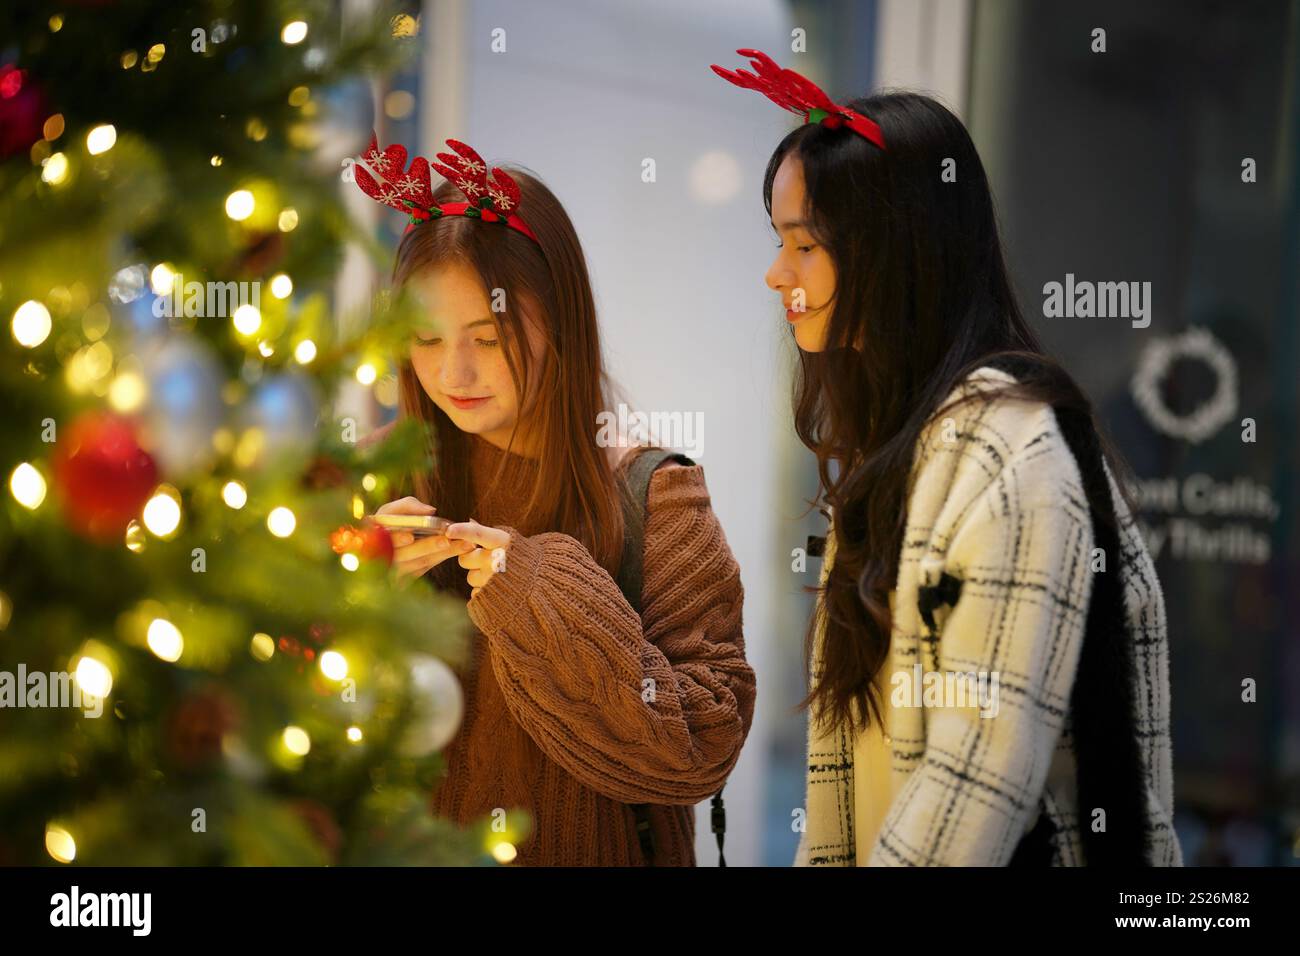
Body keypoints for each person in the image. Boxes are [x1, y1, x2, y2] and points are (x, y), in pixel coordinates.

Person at [712, 50, 1180, 866]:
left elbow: (980, 779)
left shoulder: (1008, 447)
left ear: (899, 254)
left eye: (805, 246)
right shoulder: (900, 446)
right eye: (779, 241)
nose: (774, 272)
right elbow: (849, 766)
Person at [353, 136, 756, 865]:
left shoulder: (654, 494)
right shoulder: (379, 478)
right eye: (424, 337)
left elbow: (704, 745)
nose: (455, 371)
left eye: (488, 335)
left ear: (559, 319)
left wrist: (540, 597)